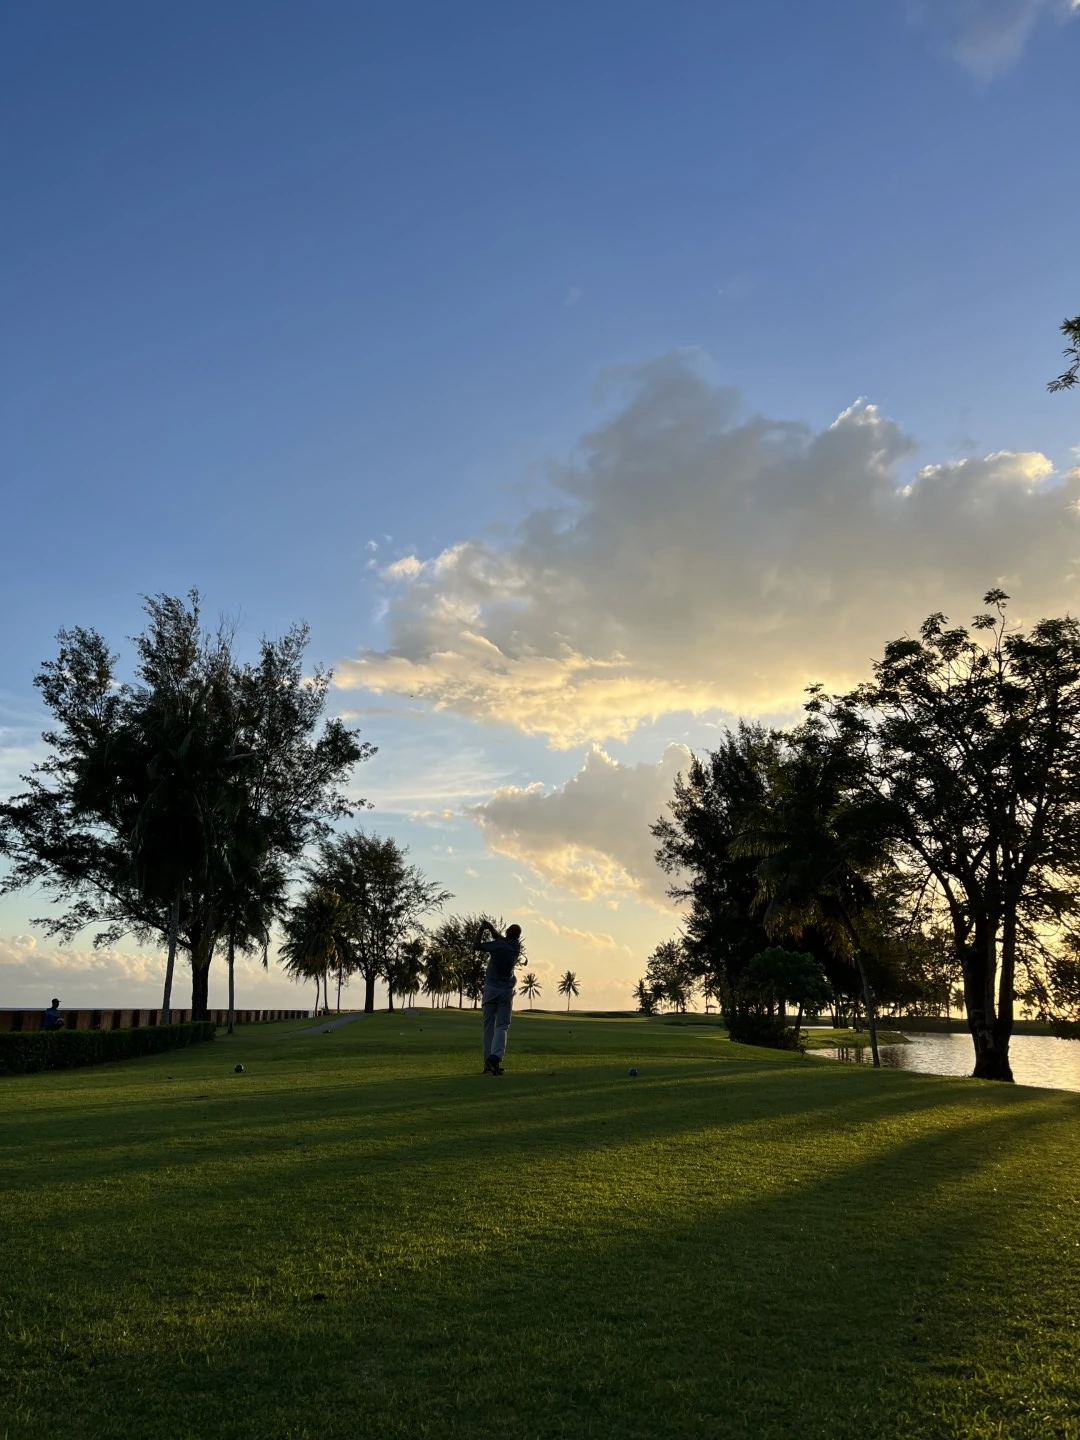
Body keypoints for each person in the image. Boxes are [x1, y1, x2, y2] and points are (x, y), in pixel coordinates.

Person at [476, 920, 522, 1075]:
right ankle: (495, 1057)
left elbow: (476, 946)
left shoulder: (498, 945)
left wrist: (482, 929)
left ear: (508, 933)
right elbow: (501, 938)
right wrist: (492, 929)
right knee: (502, 1026)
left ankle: (488, 1063)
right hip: (505, 992)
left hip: (490, 990)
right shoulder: (516, 947)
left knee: (488, 1028)